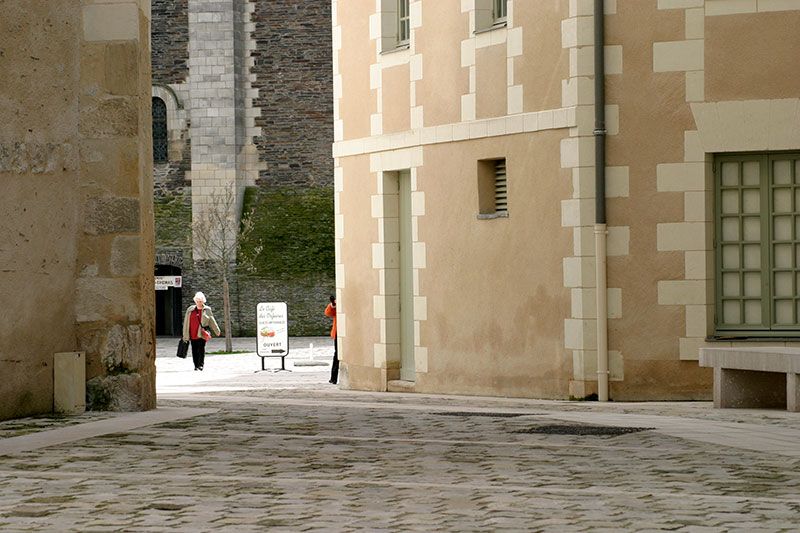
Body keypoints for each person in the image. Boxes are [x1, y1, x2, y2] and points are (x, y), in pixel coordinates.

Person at [182, 291, 221, 371]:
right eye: (197, 301)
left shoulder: (207, 310)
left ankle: (200, 365)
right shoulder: (190, 310)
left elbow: (212, 320)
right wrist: (185, 334)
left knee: (201, 349)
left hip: (201, 332)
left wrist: (217, 330)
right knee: (194, 349)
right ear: (195, 301)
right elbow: (186, 322)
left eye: (200, 301)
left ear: (203, 301)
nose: (199, 303)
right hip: (192, 333)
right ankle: (196, 365)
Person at [325, 295, 338, 384]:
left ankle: (334, 378)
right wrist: (332, 305)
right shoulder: (338, 302)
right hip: (338, 332)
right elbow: (328, 313)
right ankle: (333, 377)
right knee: (337, 355)